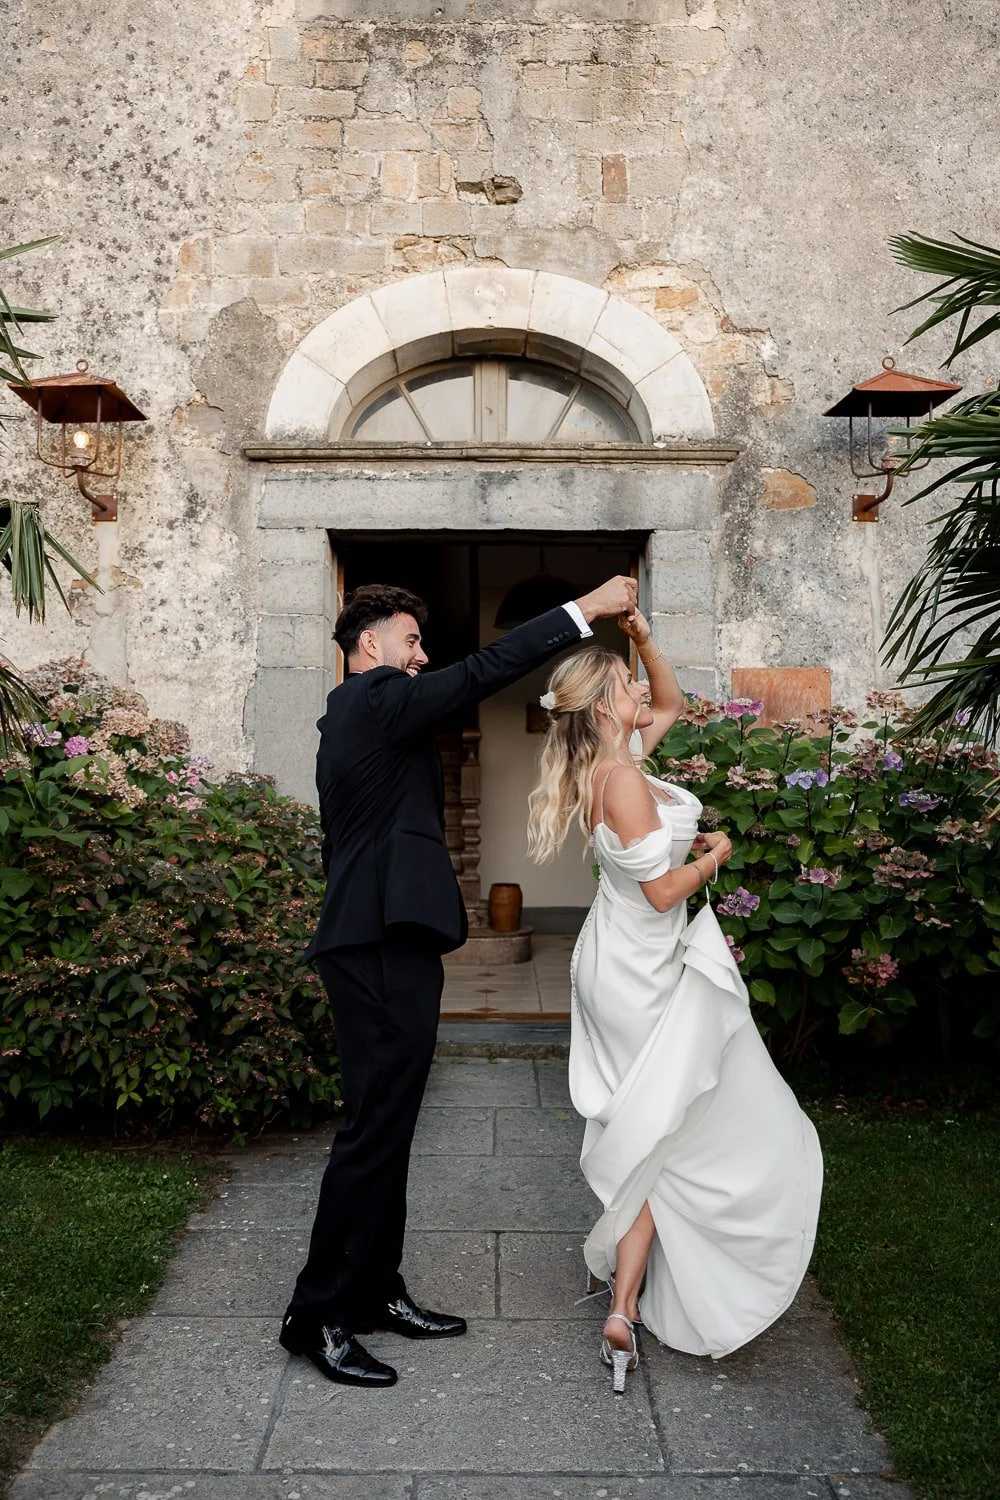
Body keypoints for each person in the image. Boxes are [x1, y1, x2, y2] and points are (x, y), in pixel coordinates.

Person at [280, 574, 639, 1388]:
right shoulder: (369, 697)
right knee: (371, 1133)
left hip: (390, 940)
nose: (422, 656)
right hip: (370, 947)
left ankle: (375, 1290)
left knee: (394, 1126)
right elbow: (483, 670)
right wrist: (586, 610)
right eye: (412, 641)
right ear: (371, 646)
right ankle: (319, 1314)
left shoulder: (376, 719)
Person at [527, 609, 823, 1394]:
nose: (637, 690)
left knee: (663, 1131)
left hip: (624, 958)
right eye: (623, 683)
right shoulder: (621, 777)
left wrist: (644, 638)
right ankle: (626, 1300)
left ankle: (623, 1305)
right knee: (673, 1127)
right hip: (641, 967)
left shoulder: (614, 761)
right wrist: (717, 856)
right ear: (601, 707)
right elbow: (659, 892)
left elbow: (676, 704)